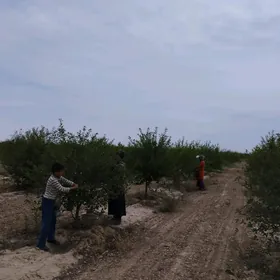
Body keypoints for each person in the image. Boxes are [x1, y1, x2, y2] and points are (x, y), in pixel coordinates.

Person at [37, 163, 78, 251]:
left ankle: (51, 239)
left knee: (52, 221)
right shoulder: (53, 179)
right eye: (61, 171)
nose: (63, 173)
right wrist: (73, 188)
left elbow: (66, 181)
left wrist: (73, 184)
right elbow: (62, 189)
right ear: (56, 172)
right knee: (46, 223)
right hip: (47, 201)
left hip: (53, 202)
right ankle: (40, 244)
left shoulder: (58, 177)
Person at [108, 150, 126, 225]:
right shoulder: (116, 164)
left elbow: (119, 175)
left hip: (118, 186)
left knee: (118, 202)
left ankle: (118, 218)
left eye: (117, 155)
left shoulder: (121, 165)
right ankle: (114, 216)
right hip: (114, 186)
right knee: (113, 201)